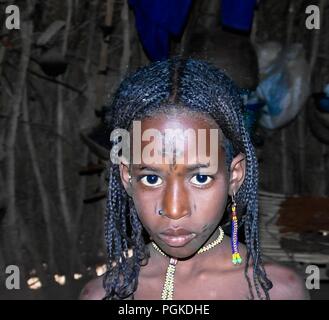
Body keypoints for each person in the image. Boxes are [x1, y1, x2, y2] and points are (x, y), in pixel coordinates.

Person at [79, 58, 309, 300]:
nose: (174, 209)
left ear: (235, 175)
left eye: (200, 177)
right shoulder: (103, 295)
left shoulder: (276, 292)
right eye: (151, 179)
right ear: (127, 177)